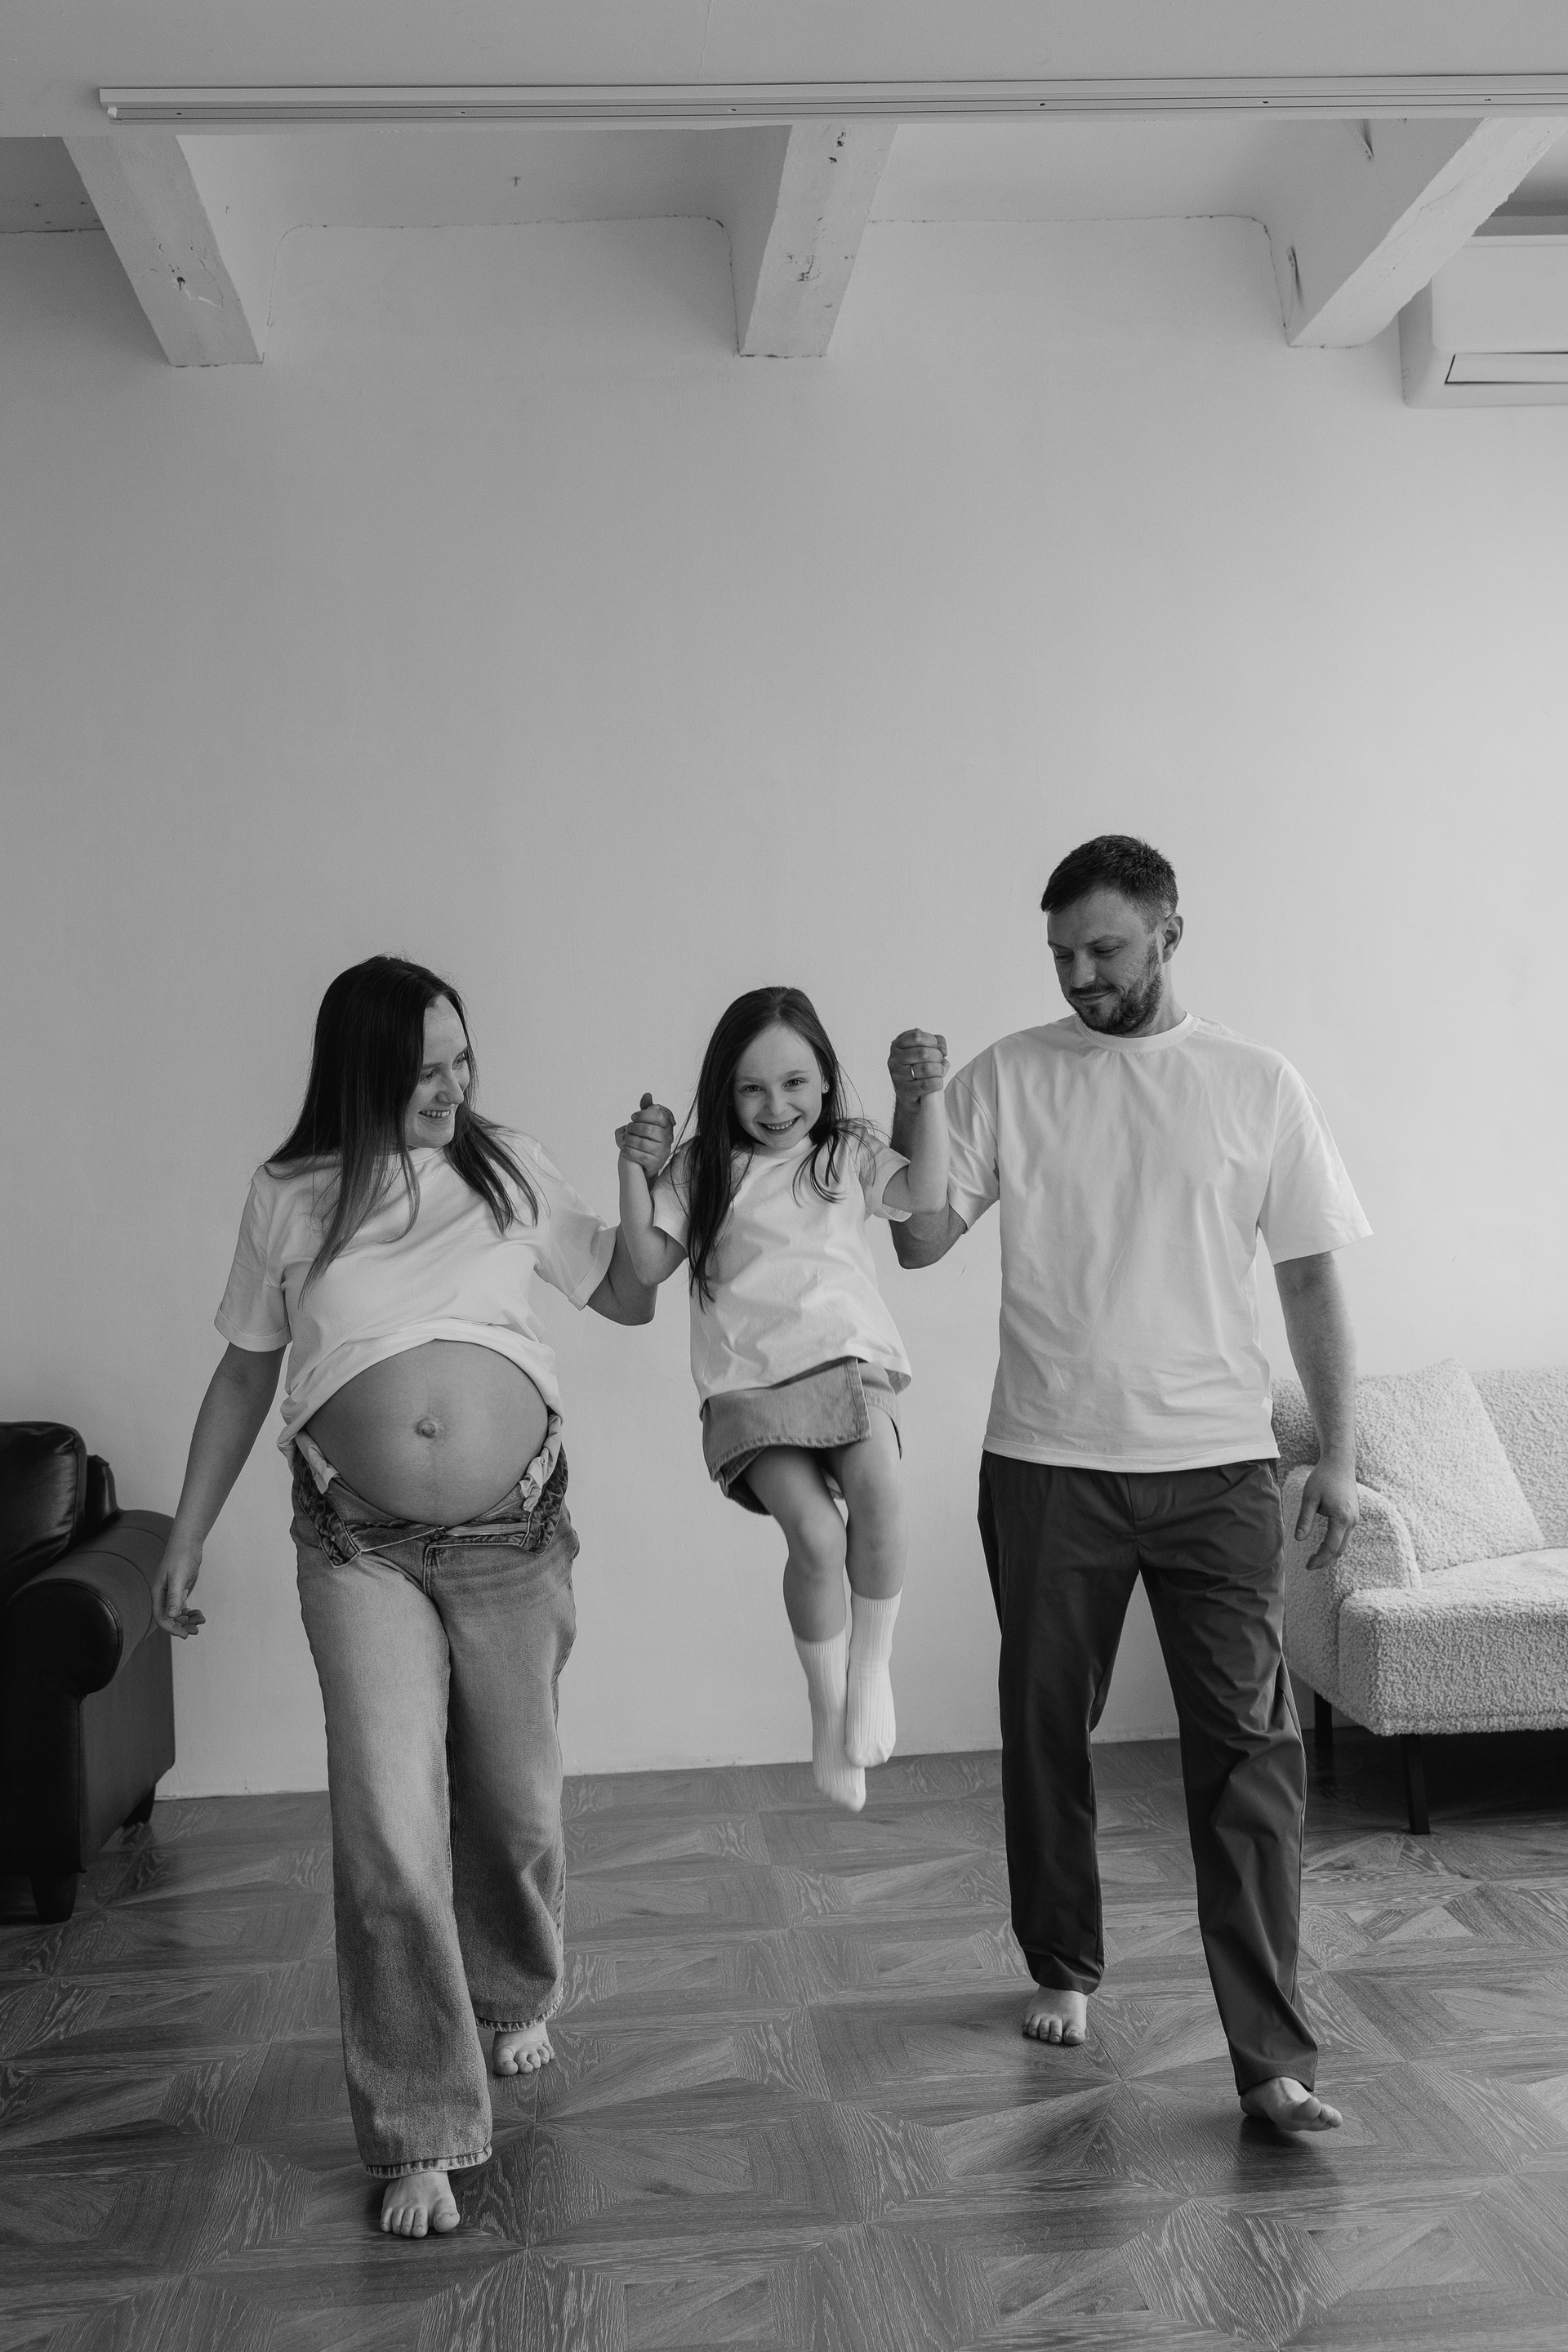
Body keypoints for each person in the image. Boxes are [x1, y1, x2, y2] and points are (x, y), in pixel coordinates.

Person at [151, 956, 658, 2238]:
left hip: (512, 1532)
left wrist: (640, 1177)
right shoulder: (291, 1195)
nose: (453, 1087)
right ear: (361, 1067)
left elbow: (628, 1294)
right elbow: (244, 1373)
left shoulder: (508, 1167)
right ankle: (420, 2127)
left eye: (463, 1060)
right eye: (426, 1069)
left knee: (516, 1804)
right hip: (358, 1544)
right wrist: (187, 1531)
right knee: (389, 1823)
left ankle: (511, 1988)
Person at [888, 835, 1369, 2133]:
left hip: (1218, 1469)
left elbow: (1310, 1274)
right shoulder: (1011, 1075)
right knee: (1047, 1728)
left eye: (1103, 949)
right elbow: (921, 1239)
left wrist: (1339, 1455)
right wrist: (912, 1103)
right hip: (1047, 1462)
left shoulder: (1256, 1082)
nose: (1080, 976)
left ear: (1169, 932)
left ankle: (1271, 2058)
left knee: (1250, 1754)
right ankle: (1062, 1961)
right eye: (1061, 955)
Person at [616, 987, 948, 1811]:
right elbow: (648, 1263)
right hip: (748, 1387)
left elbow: (926, 1196)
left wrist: (927, 1096)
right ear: (725, 1092)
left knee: (880, 1495)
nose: (776, 1107)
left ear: (827, 1079)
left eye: (796, 1083)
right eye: (753, 1089)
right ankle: (828, 1707)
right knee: (816, 1535)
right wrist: (633, 1170)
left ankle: (870, 1672)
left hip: (849, 1363)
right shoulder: (703, 1167)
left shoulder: (848, 1151)